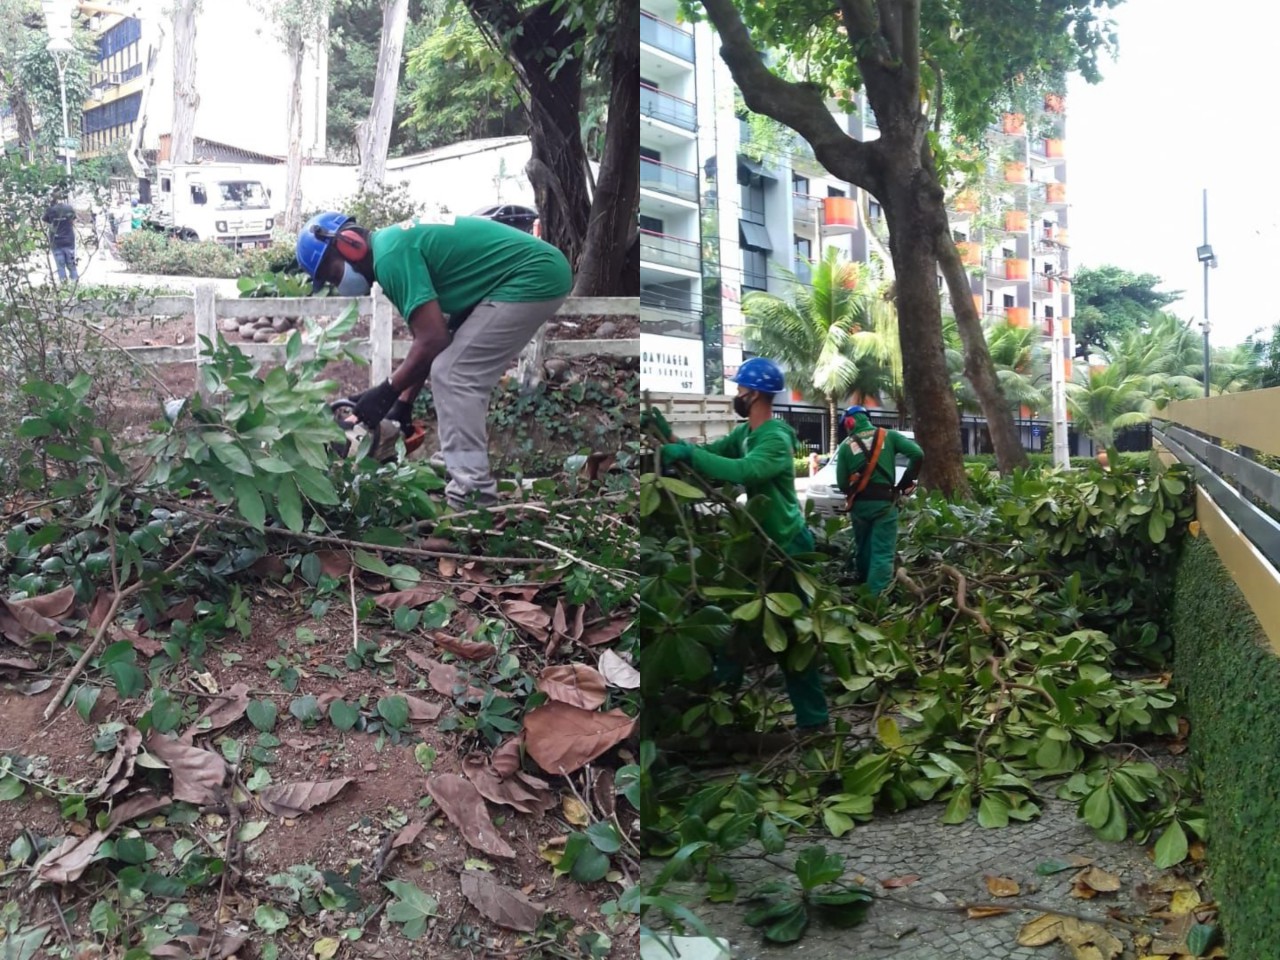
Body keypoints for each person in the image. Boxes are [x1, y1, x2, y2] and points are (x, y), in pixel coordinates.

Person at [296, 211, 572, 510]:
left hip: (532, 274)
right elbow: (430, 340)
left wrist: (385, 392)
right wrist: (402, 404)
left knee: (455, 374)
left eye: (333, 273)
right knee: (454, 368)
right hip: (523, 274)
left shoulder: (390, 257)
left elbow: (433, 340)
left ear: (350, 244)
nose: (338, 284)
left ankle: (472, 503)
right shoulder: (391, 248)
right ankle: (457, 466)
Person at [650, 358, 830, 734]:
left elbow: (746, 471)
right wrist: (668, 439)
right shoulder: (745, 434)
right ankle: (712, 712)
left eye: (740, 390)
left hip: (786, 547)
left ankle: (814, 722)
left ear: (756, 395)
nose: (736, 395)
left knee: (794, 636)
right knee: (734, 626)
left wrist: (689, 454)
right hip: (754, 546)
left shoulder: (775, 437)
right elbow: (711, 458)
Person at [835, 405, 923, 596]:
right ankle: (876, 602)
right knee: (882, 553)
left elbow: (842, 483)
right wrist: (907, 480)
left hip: (859, 506)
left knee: (863, 547)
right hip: (884, 504)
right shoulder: (888, 436)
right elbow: (917, 454)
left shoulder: (845, 446)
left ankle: (862, 588)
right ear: (866, 418)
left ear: (850, 423)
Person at [43, 195, 78, 283]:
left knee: (60, 266)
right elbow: (74, 221)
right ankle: (75, 284)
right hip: (69, 240)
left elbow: (45, 222)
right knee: (72, 265)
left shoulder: (50, 210)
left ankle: (64, 285)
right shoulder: (69, 208)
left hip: (56, 241)